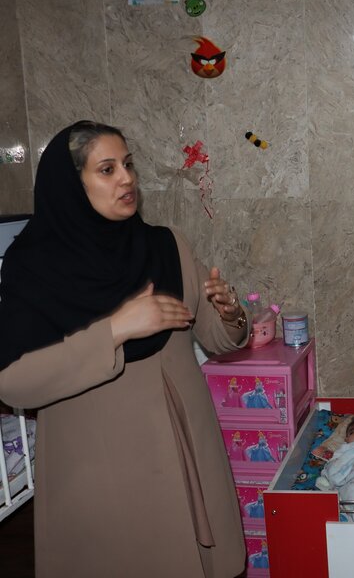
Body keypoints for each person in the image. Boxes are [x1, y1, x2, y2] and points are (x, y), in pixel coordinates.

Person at [0, 121, 249, 577]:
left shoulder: (166, 245)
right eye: (107, 169)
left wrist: (229, 311)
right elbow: (14, 382)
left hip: (186, 448)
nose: (127, 179)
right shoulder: (33, 267)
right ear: (71, 184)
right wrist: (116, 328)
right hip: (99, 470)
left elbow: (217, 338)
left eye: (128, 165)